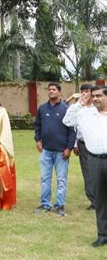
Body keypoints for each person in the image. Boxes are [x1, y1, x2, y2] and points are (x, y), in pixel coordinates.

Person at [63, 87, 107, 246]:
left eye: (99, 96)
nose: (95, 99)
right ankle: (103, 235)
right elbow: (67, 121)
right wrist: (79, 103)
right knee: (100, 199)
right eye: (93, 96)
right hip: (94, 160)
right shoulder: (85, 114)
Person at [33, 82, 75, 216]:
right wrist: (38, 140)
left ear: (60, 93)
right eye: (49, 89)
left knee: (61, 179)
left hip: (61, 152)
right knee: (45, 178)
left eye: (54, 89)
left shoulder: (66, 109)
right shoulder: (42, 108)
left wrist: (69, 148)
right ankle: (45, 204)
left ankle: (60, 205)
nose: (51, 91)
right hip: (46, 151)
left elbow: (72, 130)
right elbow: (37, 125)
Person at [67, 84, 97, 210]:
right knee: (87, 173)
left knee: (100, 172)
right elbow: (73, 126)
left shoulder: (98, 108)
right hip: (83, 145)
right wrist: (75, 144)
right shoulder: (79, 108)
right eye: (83, 92)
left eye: (88, 92)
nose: (85, 94)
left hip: (98, 145)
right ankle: (93, 200)